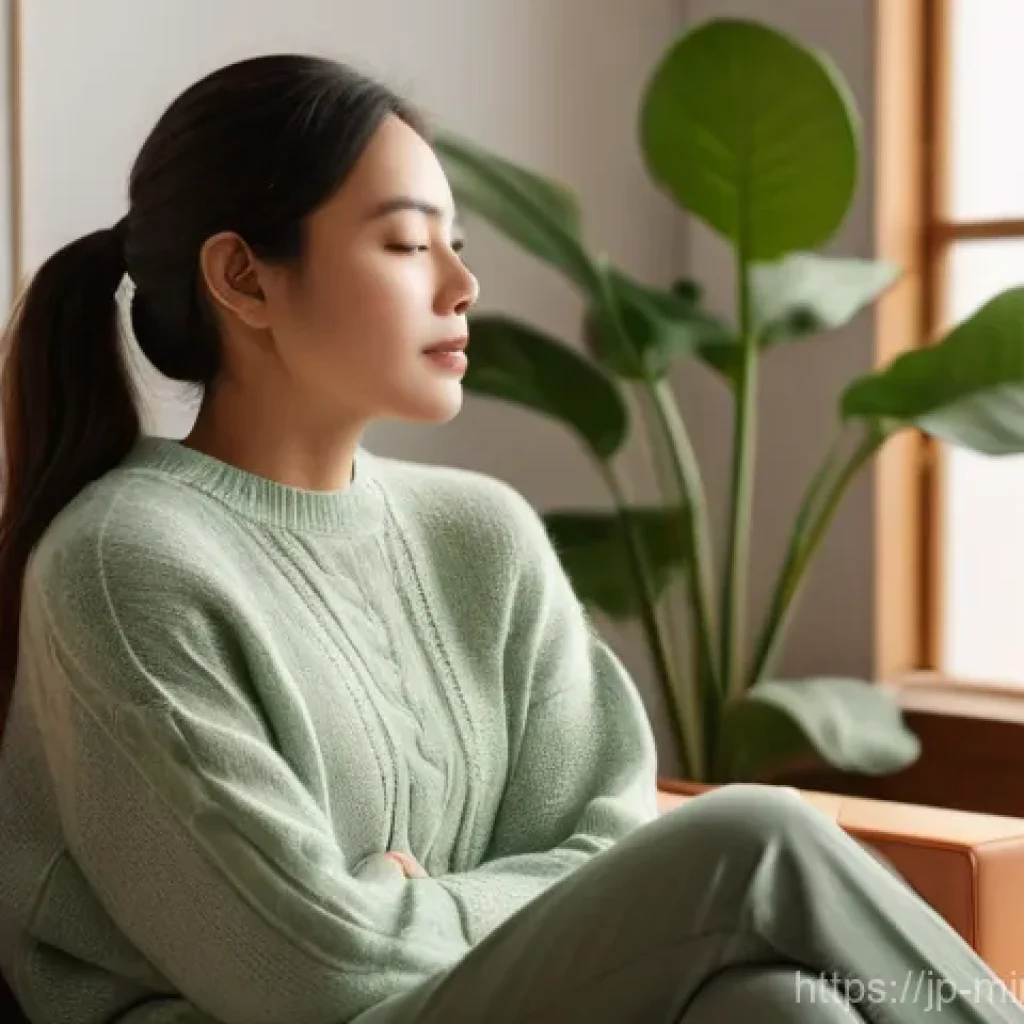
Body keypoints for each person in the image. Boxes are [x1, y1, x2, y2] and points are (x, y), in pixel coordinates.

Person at [0, 53, 1018, 1024]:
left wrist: (408, 900)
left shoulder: (479, 533)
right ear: (245, 278)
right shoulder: (127, 559)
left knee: (774, 1007)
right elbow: (309, 969)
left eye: (457, 244)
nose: (460, 284)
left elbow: (607, 838)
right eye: (406, 244)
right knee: (754, 840)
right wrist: (452, 909)